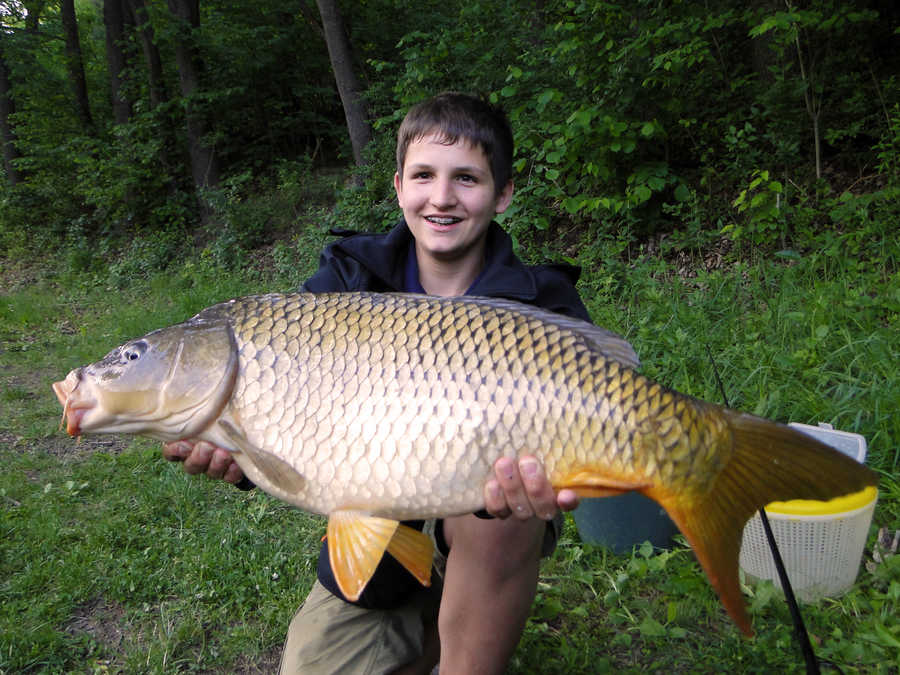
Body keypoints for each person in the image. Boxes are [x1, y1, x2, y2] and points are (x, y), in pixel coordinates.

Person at [163, 92, 590, 674]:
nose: (442, 197)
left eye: (467, 178)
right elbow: (287, 414)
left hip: (487, 528)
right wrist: (238, 453)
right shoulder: (345, 280)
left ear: (503, 193)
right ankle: (425, 617)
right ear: (398, 186)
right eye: (424, 176)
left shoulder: (542, 304)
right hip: (381, 543)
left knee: (502, 508)